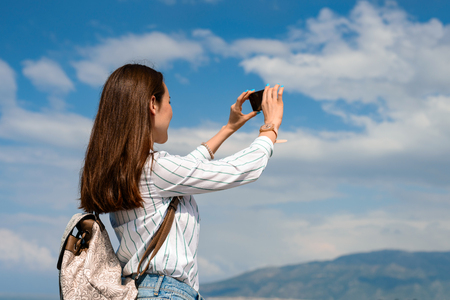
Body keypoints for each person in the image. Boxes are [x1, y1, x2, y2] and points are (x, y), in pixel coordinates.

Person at [79, 64, 284, 300]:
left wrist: (229, 128)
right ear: (152, 104)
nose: (172, 110)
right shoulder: (156, 168)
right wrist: (271, 127)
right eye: (170, 101)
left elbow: (186, 170)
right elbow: (242, 169)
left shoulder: (126, 171)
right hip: (163, 292)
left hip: (138, 290)